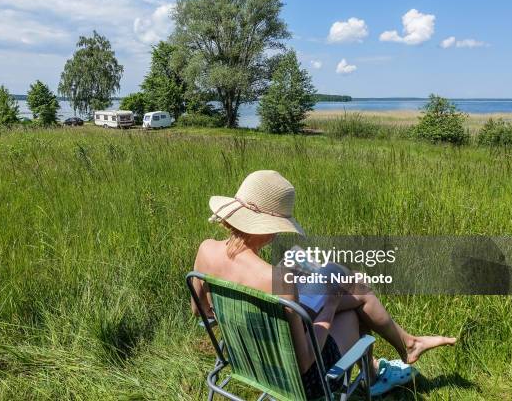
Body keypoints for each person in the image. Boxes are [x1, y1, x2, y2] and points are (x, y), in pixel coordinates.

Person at [191, 170, 456, 398]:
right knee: (352, 305)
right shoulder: (276, 280)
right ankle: (383, 365)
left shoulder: (206, 251)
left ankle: (400, 351)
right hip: (298, 380)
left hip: (246, 356)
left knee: (353, 284)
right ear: (270, 226)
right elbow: (305, 361)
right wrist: (328, 304)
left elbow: (199, 310)